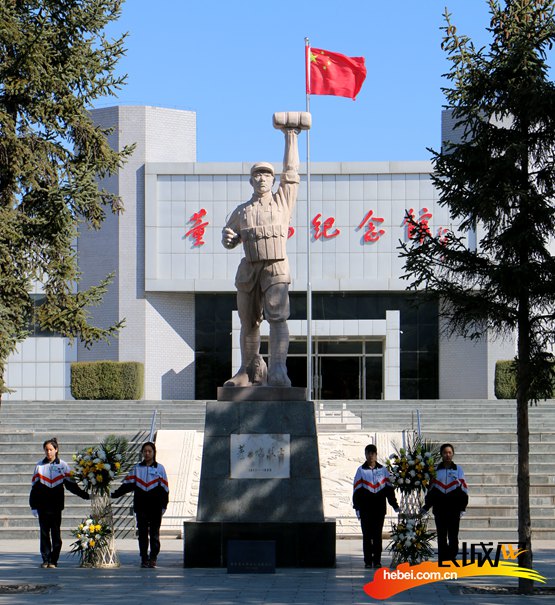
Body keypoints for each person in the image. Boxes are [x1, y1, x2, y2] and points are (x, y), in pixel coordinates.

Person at [221, 125, 301, 388]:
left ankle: (278, 368)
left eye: (267, 174)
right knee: (248, 321)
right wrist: (228, 238)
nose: (262, 179)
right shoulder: (242, 210)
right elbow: (229, 235)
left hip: (276, 268)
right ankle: (247, 369)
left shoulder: (282, 202)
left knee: (277, 317)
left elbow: (292, 174)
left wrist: (290, 136)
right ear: (251, 180)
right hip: (249, 269)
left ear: (273, 179)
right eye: (257, 175)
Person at [30, 437, 90, 568]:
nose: (49, 452)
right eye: (46, 450)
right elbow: (34, 488)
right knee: (44, 533)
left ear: (56, 450)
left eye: (51, 449)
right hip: (42, 506)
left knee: (56, 533)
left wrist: (85, 495)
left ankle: (54, 559)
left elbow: (71, 485)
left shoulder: (63, 465)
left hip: (56, 506)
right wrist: (33, 505)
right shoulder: (39, 466)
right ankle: (45, 559)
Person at [111, 441, 169, 568]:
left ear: (154, 453)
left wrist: (164, 505)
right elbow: (127, 486)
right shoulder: (137, 469)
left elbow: (165, 489)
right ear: (142, 453)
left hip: (155, 507)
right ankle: (144, 557)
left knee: (154, 533)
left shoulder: (160, 469)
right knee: (142, 533)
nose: (147, 454)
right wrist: (113, 494)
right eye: (145, 451)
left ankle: (153, 557)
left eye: (149, 451)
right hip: (141, 506)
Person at [353, 444, 400, 569]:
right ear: (365, 454)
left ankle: (377, 561)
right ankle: (368, 561)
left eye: (373, 453)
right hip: (365, 509)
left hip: (379, 508)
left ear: (376, 455)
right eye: (368, 453)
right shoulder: (361, 470)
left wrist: (394, 505)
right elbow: (356, 491)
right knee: (367, 535)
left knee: (377, 535)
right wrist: (357, 508)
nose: (371, 456)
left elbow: (389, 490)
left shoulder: (383, 470)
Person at [422, 442, 468, 564]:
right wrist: (426, 506)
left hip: (454, 509)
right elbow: (431, 490)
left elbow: (464, 490)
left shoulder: (458, 469)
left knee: (453, 536)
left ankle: (452, 558)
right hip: (440, 509)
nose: (447, 455)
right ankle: (442, 559)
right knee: (441, 536)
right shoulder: (435, 470)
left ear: (453, 454)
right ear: (441, 454)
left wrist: (462, 508)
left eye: (449, 453)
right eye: (445, 453)